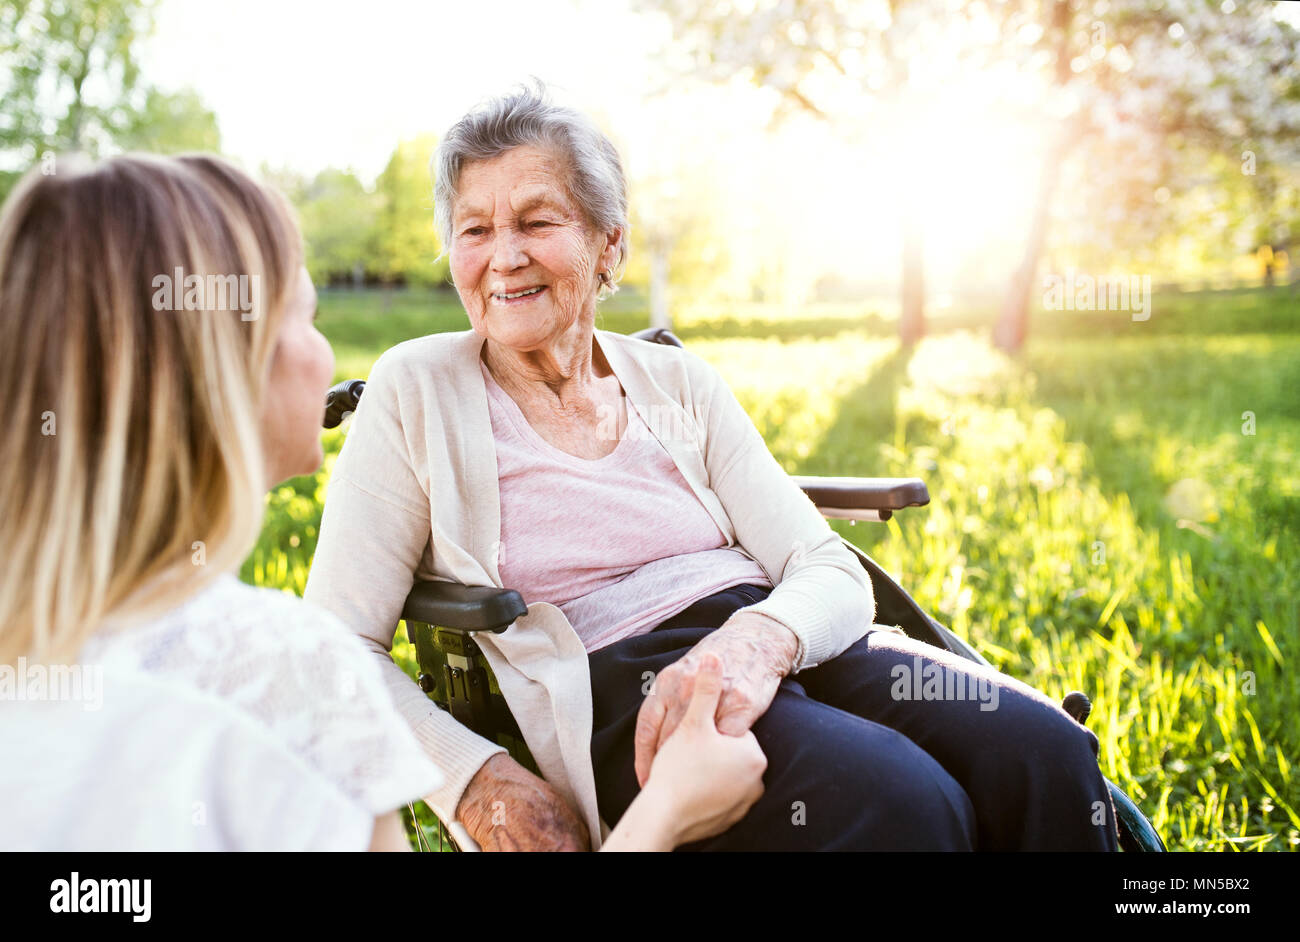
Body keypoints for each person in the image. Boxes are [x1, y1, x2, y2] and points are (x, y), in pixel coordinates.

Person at [303, 81, 1120, 851]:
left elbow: (825, 566)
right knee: (902, 802)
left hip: (778, 634)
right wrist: (474, 780)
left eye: (536, 221)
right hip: (626, 684)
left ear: (607, 243)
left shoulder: (678, 381)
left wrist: (760, 641)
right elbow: (334, 646)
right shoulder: (418, 386)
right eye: (475, 230)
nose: (503, 256)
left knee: (1042, 749)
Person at [0, 152, 764, 851]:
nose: (328, 356)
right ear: (226, 373)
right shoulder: (287, 673)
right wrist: (667, 814)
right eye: (306, 315)